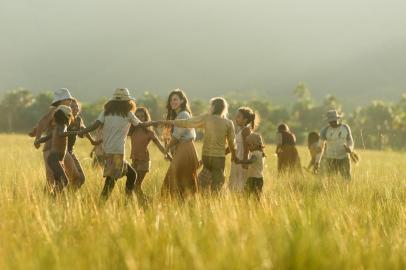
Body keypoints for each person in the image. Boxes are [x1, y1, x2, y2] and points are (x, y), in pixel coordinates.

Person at [78, 88, 156, 201]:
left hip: (108, 151)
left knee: (130, 175)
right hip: (118, 152)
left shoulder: (106, 112)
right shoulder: (128, 114)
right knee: (111, 181)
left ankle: (127, 200)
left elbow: (95, 125)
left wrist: (83, 131)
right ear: (127, 102)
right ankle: (107, 203)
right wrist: (156, 123)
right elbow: (141, 125)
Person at [160, 97, 236, 194]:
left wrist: (169, 122)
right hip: (219, 158)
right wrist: (233, 155)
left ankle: (200, 200)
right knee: (217, 185)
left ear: (213, 107)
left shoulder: (207, 118)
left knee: (201, 184)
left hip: (206, 157)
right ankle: (214, 203)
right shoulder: (228, 123)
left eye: (211, 106)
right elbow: (231, 142)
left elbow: (187, 123)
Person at [30, 88, 85, 190]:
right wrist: (37, 138)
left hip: (62, 152)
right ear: (61, 100)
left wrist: (35, 132)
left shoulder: (65, 110)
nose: (70, 101)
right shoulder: (56, 109)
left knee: (76, 178)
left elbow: (42, 124)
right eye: (68, 99)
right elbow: (43, 122)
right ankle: (50, 201)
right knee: (51, 182)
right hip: (50, 149)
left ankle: (63, 200)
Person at [158, 89, 200, 198]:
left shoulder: (183, 115)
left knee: (172, 180)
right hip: (184, 149)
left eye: (175, 99)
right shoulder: (179, 115)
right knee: (180, 181)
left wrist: (166, 149)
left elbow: (177, 136)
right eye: (171, 100)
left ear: (182, 101)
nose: (173, 102)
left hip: (185, 150)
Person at [128, 107, 172, 202]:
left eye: (142, 117)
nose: (140, 118)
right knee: (134, 186)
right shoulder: (132, 131)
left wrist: (169, 156)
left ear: (146, 118)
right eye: (137, 116)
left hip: (144, 161)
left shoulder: (149, 132)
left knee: (136, 185)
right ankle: (146, 202)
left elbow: (160, 146)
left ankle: (148, 202)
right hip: (134, 161)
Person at [35, 106, 80, 194]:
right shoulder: (62, 127)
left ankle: (53, 199)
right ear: (67, 117)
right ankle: (53, 197)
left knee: (59, 182)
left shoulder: (56, 127)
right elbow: (61, 133)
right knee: (65, 181)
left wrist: (38, 140)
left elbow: (47, 137)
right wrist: (76, 132)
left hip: (54, 159)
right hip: (54, 159)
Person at [65, 99, 101, 189]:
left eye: (76, 106)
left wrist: (92, 141)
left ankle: (68, 196)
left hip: (71, 151)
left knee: (81, 179)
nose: (75, 108)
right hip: (63, 152)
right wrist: (77, 132)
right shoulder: (65, 119)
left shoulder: (78, 120)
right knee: (66, 179)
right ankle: (60, 197)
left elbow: (84, 129)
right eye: (72, 106)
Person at [315, 110, 355, 180]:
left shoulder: (345, 128)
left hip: (344, 158)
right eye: (330, 121)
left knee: (347, 179)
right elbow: (320, 148)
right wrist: (317, 162)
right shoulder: (325, 130)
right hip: (331, 159)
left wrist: (350, 148)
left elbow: (350, 141)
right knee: (331, 180)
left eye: (334, 120)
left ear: (337, 119)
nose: (332, 123)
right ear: (328, 121)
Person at [229, 107, 259, 192]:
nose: (236, 118)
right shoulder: (241, 130)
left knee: (240, 182)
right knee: (237, 181)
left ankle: (240, 199)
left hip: (241, 159)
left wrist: (244, 161)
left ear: (245, 120)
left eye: (238, 116)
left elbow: (246, 147)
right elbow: (235, 146)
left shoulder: (246, 130)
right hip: (238, 158)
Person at [235, 133, 265, 201]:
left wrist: (240, 161)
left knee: (246, 196)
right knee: (256, 198)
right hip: (259, 178)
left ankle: (246, 207)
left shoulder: (255, 153)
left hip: (254, 179)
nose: (248, 147)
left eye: (249, 145)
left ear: (255, 144)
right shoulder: (261, 153)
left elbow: (251, 161)